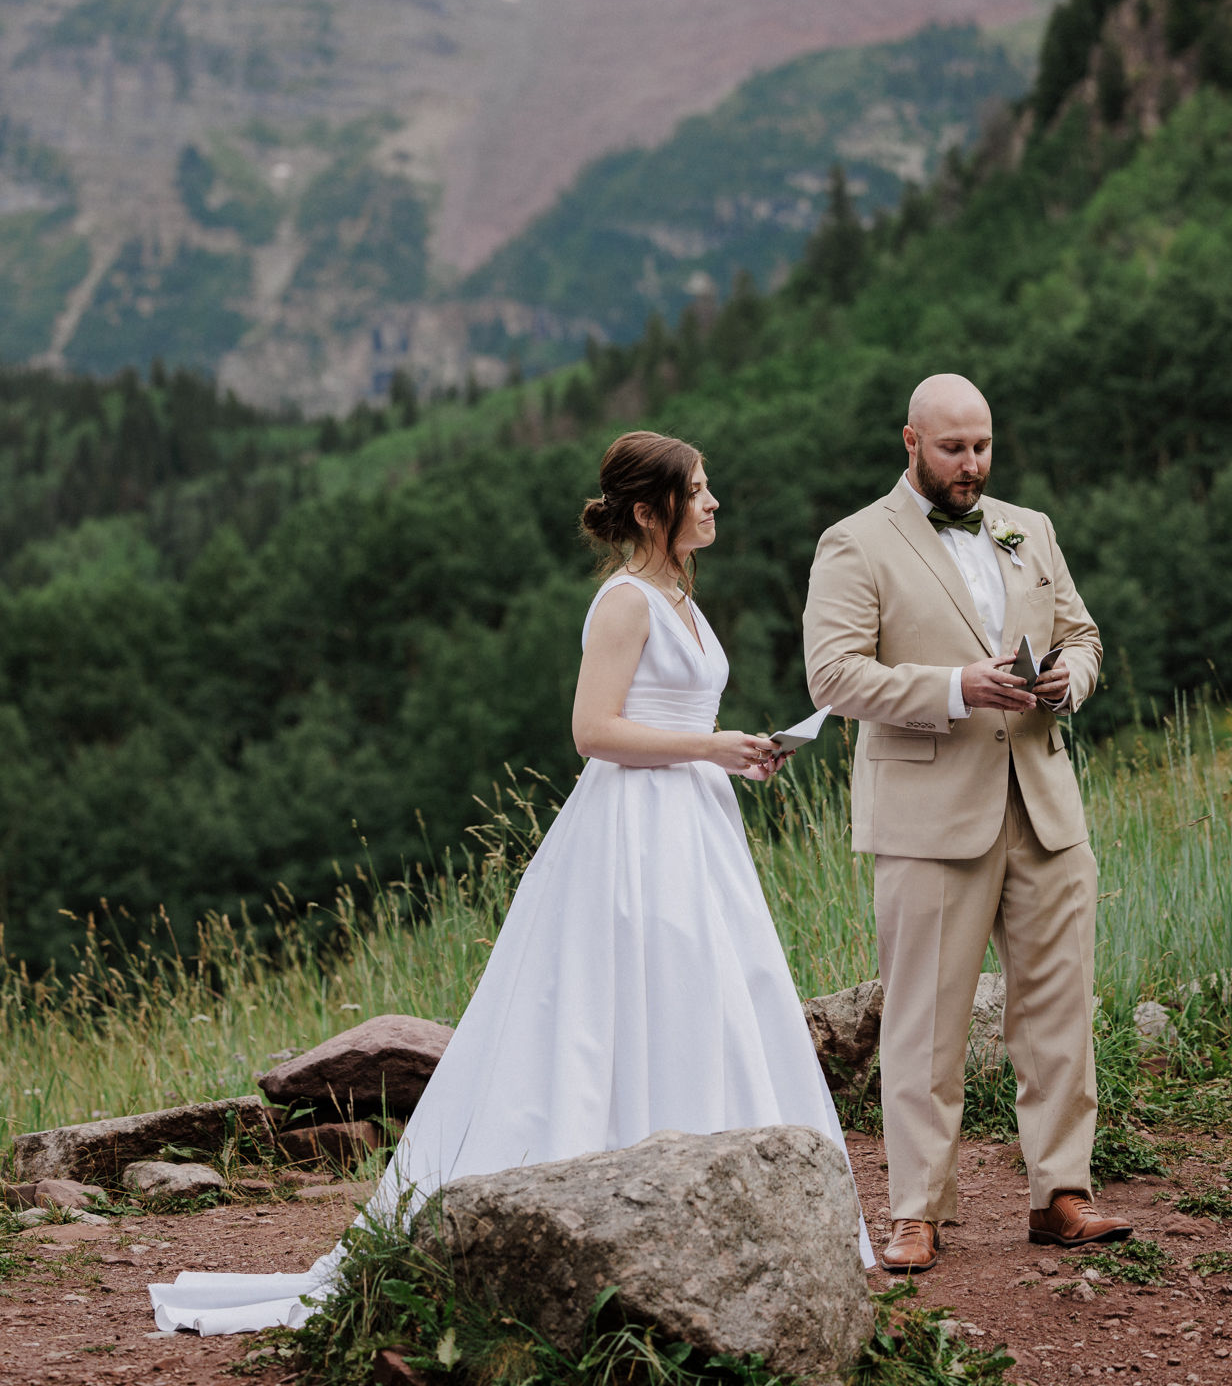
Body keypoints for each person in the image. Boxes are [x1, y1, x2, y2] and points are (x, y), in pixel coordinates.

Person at [151, 428, 872, 1335]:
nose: (715, 500)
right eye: (698, 488)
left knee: (712, 994)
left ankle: (722, 1206)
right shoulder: (623, 602)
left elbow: (676, 713)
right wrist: (708, 746)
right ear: (652, 511)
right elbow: (593, 731)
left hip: (694, 823)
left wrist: (736, 756)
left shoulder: (680, 596)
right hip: (633, 833)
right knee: (629, 997)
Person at [803, 373, 1132, 1274]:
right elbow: (832, 677)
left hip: (1044, 804)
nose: (973, 464)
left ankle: (1062, 1192)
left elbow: (1085, 635)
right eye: (953, 448)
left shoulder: (1032, 529)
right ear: (909, 441)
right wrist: (954, 688)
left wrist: (1073, 677)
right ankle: (915, 1210)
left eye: (983, 446)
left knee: (1059, 1008)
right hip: (928, 817)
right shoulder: (855, 542)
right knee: (925, 1020)